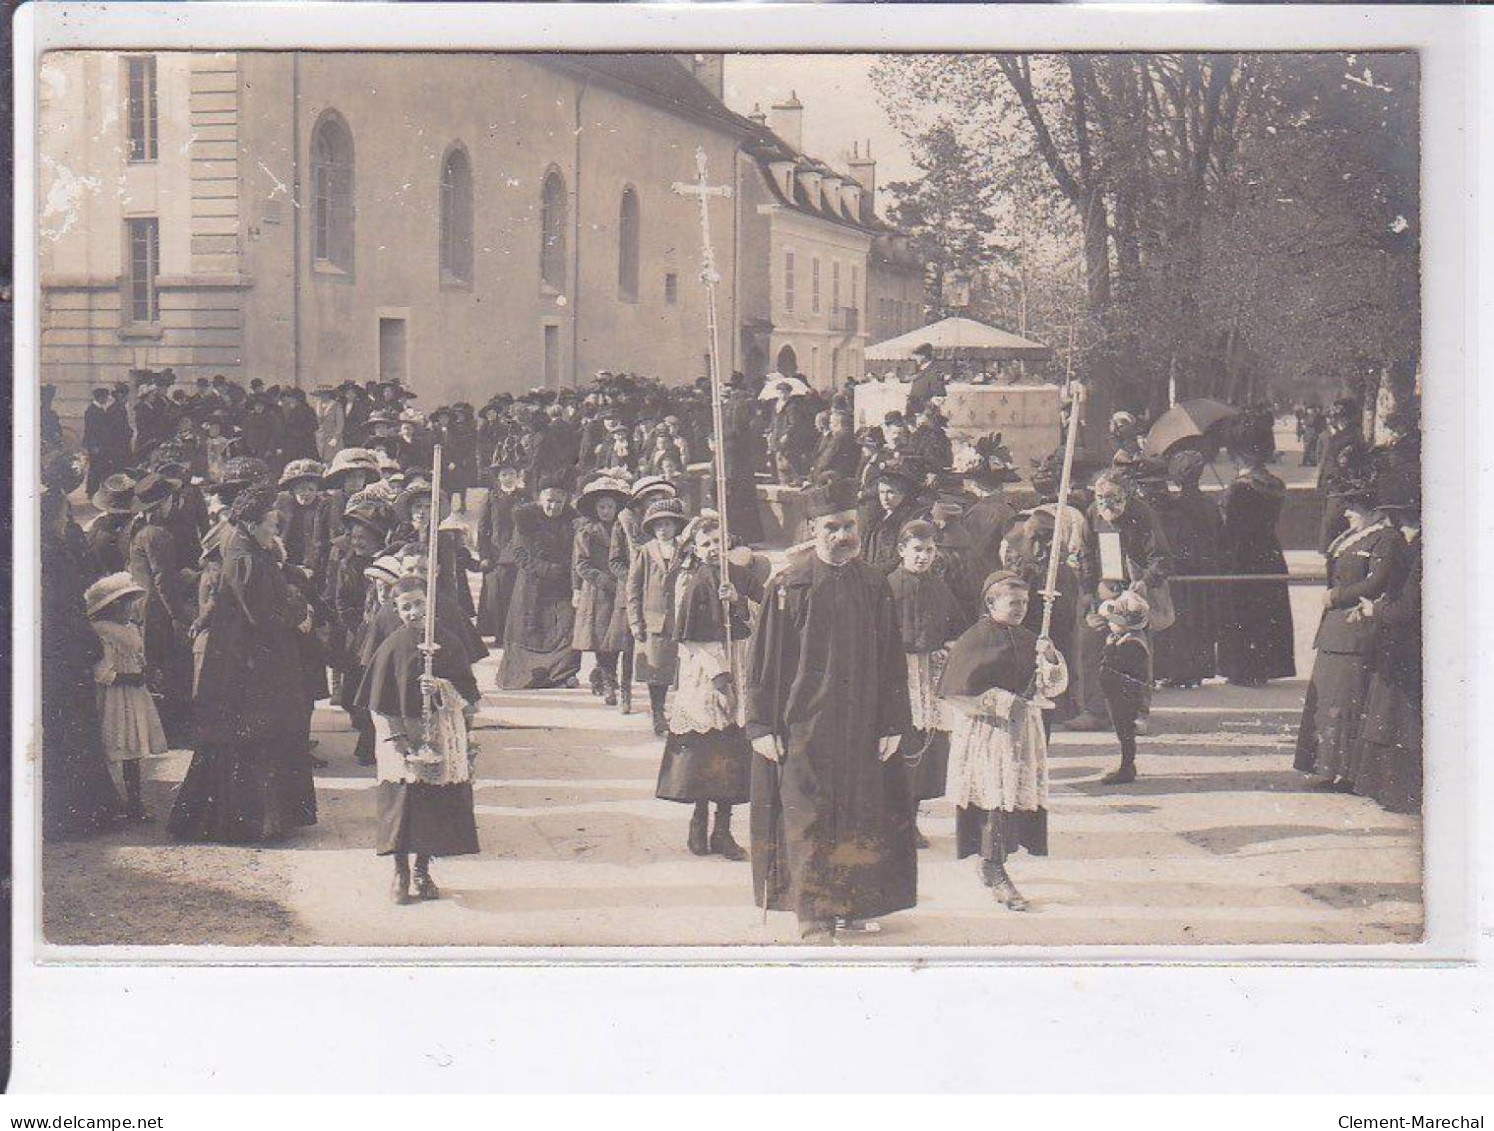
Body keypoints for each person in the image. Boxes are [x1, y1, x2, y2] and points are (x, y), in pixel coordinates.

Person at [745, 478, 916, 942]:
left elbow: (890, 658)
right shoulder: (788, 586)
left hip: (861, 724)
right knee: (810, 816)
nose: (844, 535)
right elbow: (762, 660)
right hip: (804, 725)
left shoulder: (874, 584)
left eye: (850, 526)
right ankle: (814, 914)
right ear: (813, 528)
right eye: (833, 527)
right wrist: (759, 723)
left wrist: (893, 722)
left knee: (859, 813)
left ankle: (850, 907)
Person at [168, 485, 318, 844]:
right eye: (271, 525)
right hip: (247, 663)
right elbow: (262, 614)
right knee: (253, 732)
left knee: (261, 732)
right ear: (251, 523)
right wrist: (298, 614)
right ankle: (250, 820)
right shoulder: (244, 557)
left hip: (253, 657)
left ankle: (266, 817)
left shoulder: (251, 549)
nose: (275, 532)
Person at [937, 570, 1068, 910]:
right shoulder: (974, 639)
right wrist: (1006, 703)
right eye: (1013, 603)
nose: (1021, 609)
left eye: (1025, 603)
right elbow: (957, 692)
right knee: (994, 797)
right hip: (988, 733)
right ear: (991, 602)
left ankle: (992, 862)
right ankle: (994, 867)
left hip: (1022, 733)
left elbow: (1052, 686)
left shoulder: (1030, 638)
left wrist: (1050, 657)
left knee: (1011, 799)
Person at [356, 576, 481, 904]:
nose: (414, 612)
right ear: (397, 611)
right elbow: (377, 701)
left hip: (437, 733)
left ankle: (423, 869)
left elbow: (469, 695)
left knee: (432, 808)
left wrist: (440, 688)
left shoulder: (449, 643)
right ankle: (401, 870)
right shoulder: (392, 646)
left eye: (418, 604)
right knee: (402, 805)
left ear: (430, 603)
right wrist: (396, 737)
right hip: (402, 736)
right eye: (406, 607)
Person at [655, 514, 768, 860]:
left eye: (718, 543)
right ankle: (698, 823)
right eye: (705, 544)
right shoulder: (689, 580)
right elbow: (690, 638)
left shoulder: (738, 575)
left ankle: (723, 829)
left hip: (738, 660)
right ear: (694, 547)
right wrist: (720, 680)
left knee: (731, 754)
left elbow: (764, 614)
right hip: (705, 672)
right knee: (705, 753)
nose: (713, 550)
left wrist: (737, 601)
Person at [1293, 478, 1405, 791]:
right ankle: (1326, 766)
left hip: (1357, 630)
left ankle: (1347, 772)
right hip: (1335, 631)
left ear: (1372, 510)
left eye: (1353, 507)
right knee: (1328, 698)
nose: (1347, 514)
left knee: (1347, 702)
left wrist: (1338, 595)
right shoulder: (1352, 536)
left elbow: (1378, 581)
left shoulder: (1385, 539)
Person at [41, 488, 126, 840]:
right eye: (63, 515)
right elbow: (65, 609)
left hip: (60, 651)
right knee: (74, 732)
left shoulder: (48, 551)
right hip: (65, 653)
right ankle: (79, 815)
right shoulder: (54, 554)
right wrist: (90, 644)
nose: (66, 522)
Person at [887, 520, 970, 847]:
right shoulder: (888, 587)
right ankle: (894, 819)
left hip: (930, 675)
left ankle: (912, 817)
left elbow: (957, 628)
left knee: (925, 748)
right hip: (899, 674)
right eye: (916, 550)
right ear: (901, 551)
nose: (923, 557)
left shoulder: (939, 588)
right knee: (898, 744)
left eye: (929, 550)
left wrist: (948, 648)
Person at [1354, 492, 1422, 813]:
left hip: (1406, 645)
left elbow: (1408, 607)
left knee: (1399, 719)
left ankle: (1399, 793)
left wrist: (1375, 611)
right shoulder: (1413, 543)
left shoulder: (1419, 549)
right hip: (1403, 644)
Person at [86, 572, 168, 821]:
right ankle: (113, 803)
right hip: (115, 698)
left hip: (133, 697)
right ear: (110, 607)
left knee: (134, 749)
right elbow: (102, 671)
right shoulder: (103, 632)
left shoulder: (130, 629)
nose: (128, 608)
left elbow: (136, 659)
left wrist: (145, 672)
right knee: (117, 746)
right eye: (123, 603)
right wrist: (128, 678)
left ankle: (134, 803)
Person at [1217, 429, 1296, 687]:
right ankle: (1264, 665)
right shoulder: (1276, 485)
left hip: (1243, 554)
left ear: (1241, 455)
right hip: (1269, 550)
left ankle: (1242, 667)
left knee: (1243, 611)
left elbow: (1230, 528)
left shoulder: (1238, 489)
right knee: (1267, 611)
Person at [128, 472, 195, 746]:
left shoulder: (139, 531)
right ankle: (174, 732)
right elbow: (162, 580)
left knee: (156, 665)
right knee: (169, 667)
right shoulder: (159, 535)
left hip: (143, 606)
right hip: (157, 610)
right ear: (163, 503)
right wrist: (180, 615)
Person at [496, 478, 581, 690]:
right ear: (540, 499)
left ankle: (562, 674)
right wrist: (546, 569)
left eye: (559, 503)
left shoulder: (572, 522)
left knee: (566, 627)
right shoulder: (526, 520)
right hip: (532, 584)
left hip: (561, 585)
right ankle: (528, 675)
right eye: (549, 501)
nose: (553, 507)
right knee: (528, 629)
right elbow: (520, 554)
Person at [608, 475, 679, 716]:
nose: (655, 503)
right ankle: (625, 690)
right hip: (631, 590)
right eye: (651, 499)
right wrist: (637, 577)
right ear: (640, 502)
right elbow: (615, 561)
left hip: (660, 596)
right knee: (630, 647)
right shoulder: (625, 523)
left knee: (659, 651)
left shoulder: (665, 525)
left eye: (660, 499)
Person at [1152, 449, 1223, 689]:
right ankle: (1197, 670)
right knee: (1200, 619)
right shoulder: (1210, 504)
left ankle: (1179, 671)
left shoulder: (1174, 509)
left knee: (1182, 620)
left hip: (1182, 571)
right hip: (1205, 569)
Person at [628, 496, 687, 736]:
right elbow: (633, 587)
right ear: (652, 528)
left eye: (668, 524)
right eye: (659, 525)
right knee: (656, 671)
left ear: (676, 526)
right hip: (652, 620)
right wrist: (635, 621)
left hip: (678, 618)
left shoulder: (684, 551)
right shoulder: (645, 552)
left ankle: (681, 713)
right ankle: (657, 712)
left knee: (678, 669)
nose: (664, 529)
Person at [572, 477, 631, 705]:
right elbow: (581, 565)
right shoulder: (587, 532)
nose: (606, 511)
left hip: (620, 590)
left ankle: (606, 674)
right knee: (600, 638)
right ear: (595, 509)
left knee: (615, 638)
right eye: (602, 507)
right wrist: (605, 581)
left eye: (610, 507)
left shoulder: (623, 529)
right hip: (597, 591)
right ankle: (607, 679)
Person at [1091, 590, 1152, 785]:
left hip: (1124, 695)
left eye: (1113, 620)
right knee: (1122, 729)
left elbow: (1117, 666)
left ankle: (1127, 766)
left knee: (1124, 730)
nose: (1109, 624)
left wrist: (1109, 648)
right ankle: (1127, 764)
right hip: (1118, 693)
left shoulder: (1131, 644)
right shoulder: (1127, 638)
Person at [476, 456, 524, 641]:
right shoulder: (491, 497)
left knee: (516, 593)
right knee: (496, 594)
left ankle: (515, 635)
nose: (509, 478)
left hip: (519, 552)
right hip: (497, 552)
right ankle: (499, 633)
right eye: (504, 474)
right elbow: (483, 528)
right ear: (499, 477)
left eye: (512, 474)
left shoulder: (523, 496)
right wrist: (484, 555)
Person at [860, 462, 925, 576]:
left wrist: (877, 573)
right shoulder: (877, 517)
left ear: (903, 494)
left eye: (891, 492)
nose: (884, 498)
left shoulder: (908, 520)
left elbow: (900, 557)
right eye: (881, 492)